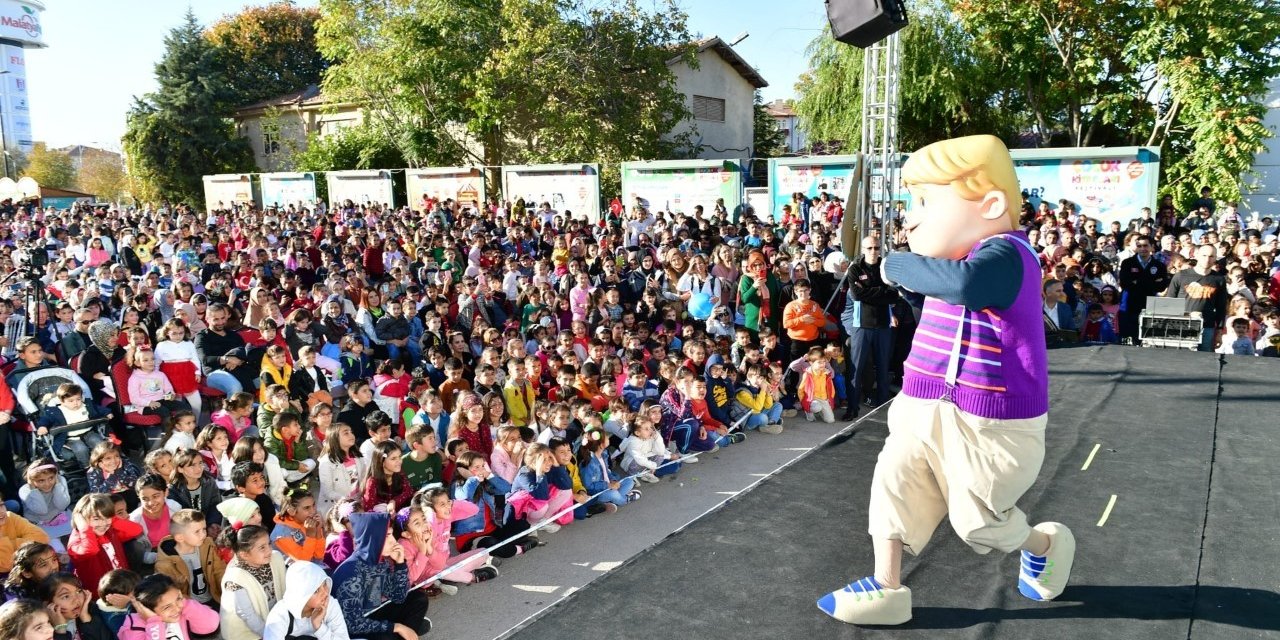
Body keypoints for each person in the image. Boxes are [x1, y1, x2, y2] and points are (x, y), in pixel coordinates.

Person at [819, 135, 1074, 626]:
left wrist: (894, 264)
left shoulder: (1008, 255)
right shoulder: (954, 263)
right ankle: (887, 585)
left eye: (926, 201)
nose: (911, 217)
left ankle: (1044, 543)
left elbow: (965, 287)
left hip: (987, 417)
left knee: (978, 521)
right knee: (894, 482)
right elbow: (932, 303)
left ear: (992, 204)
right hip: (922, 401)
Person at [331, 511, 431, 640]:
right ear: (373, 539)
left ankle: (407, 633)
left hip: (372, 613)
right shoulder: (351, 574)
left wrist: (400, 564)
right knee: (387, 636)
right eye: (388, 536)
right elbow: (353, 624)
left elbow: (398, 597)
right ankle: (408, 631)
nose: (394, 541)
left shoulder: (380, 561)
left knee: (418, 598)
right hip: (351, 630)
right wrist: (397, 627)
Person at [840, 236, 898, 420]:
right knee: (856, 369)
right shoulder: (855, 268)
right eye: (870, 248)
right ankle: (852, 408)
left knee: (882, 368)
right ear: (863, 249)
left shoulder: (886, 267)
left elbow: (894, 294)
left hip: (883, 325)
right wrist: (882, 291)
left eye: (876, 247)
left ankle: (881, 409)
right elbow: (857, 295)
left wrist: (869, 291)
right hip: (861, 325)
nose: (873, 251)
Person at [218, 524, 287, 640]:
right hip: (247, 633)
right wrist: (270, 635)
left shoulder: (275, 559)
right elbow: (247, 615)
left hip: (274, 622)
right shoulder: (235, 577)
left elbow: (287, 590)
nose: (269, 550)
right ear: (244, 555)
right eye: (262, 548)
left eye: (269, 543)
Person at [153, 509, 225, 607]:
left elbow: (219, 570)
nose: (203, 534)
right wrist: (198, 608)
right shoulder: (165, 564)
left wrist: (226, 589)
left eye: (204, 529)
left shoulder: (208, 545)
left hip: (214, 598)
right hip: (188, 607)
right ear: (180, 538)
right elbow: (172, 592)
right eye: (197, 532)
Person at [1164, 242, 1229, 352]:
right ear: (1197, 255)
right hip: (1182, 324)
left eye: (1211, 256)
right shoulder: (1181, 276)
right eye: (1204, 255)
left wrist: (1219, 331)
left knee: (1204, 359)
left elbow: (1221, 307)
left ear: (1215, 259)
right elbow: (1170, 301)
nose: (1207, 259)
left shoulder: (1219, 279)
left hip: (1207, 326)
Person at [263, 560, 350, 640]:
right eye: (316, 591)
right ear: (301, 595)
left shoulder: (330, 604)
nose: (325, 593)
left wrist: (319, 627)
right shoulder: (280, 615)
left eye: (324, 584)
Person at [117, 573, 219, 640]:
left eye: (177, 598)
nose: (177, 608)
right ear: (147, 608)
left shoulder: (181, 610)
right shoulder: (133, 628)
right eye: (167, 607)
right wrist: (153, 622)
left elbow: (211, 625)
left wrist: (185, 603)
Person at [1117, 235, 1170, 344]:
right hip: (1130, 304)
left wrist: (1137, 281)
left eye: (1145, 245)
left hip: (1150, 305)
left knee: (1146, 338)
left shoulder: (1159, 265)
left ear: (1152, 247)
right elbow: (1125, 283)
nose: (1142, 249)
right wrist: (1151, 281)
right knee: (1129, 338)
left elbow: (1162, 286)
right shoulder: (1127, 263)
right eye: (1139, 246)